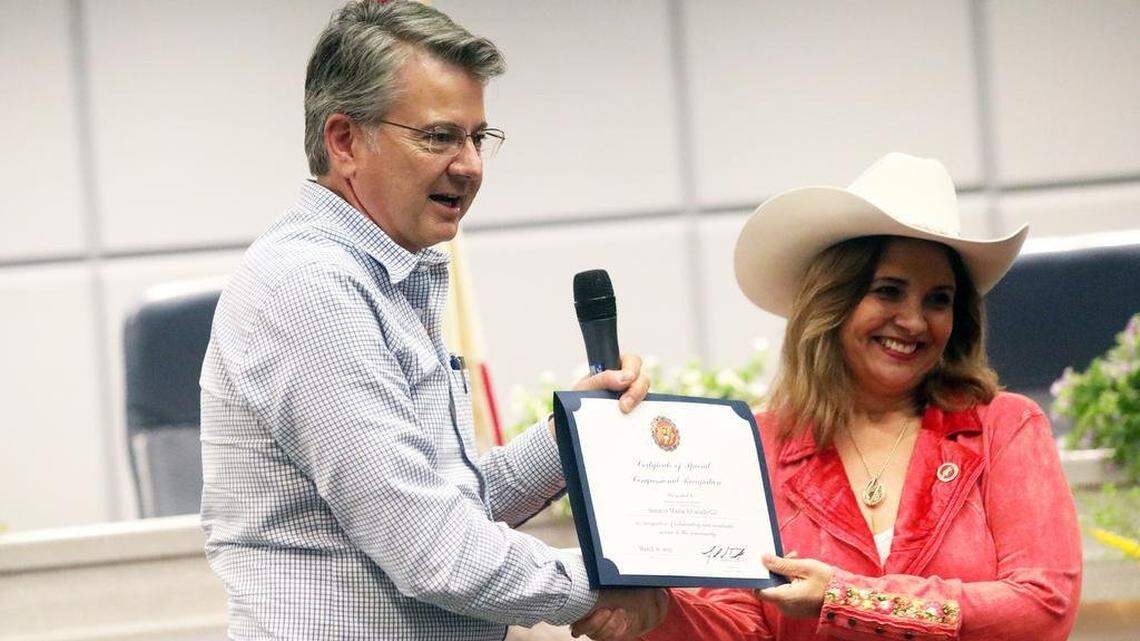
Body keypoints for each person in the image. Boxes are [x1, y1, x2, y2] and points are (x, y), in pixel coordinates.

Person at [198, 2, 660, 639]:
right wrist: (607, 585)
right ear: (345, 140)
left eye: (478, 138)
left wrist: (572, 434)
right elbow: (432, 548)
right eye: (439, 137)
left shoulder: (380, 277)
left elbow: (451, 502)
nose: (470, 165)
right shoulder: (311, 288)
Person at [572, 152, 1083, 641]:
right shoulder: (757, 443)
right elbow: (741, 625)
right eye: (888, 291)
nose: (913, 320)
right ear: (833, 302)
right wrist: (655, 615)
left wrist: (846, 599)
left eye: (938, 300)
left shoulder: (1004, 427)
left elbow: (1043, 609)